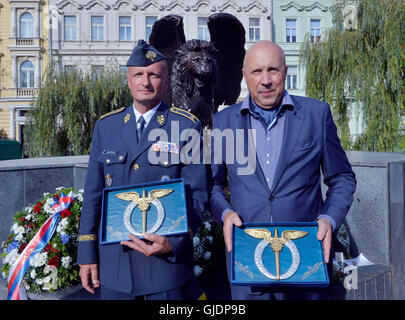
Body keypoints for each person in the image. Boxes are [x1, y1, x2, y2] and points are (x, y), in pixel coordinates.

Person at [210, 40, 356, 300]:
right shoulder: (223, 121)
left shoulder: (316, 114)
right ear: (245, 76)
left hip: (305, 254)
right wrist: (225, 212)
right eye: (256, 72)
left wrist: (329, 218)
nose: (265, 80)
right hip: (247, 257)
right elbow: (212, 184)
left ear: (285, 71)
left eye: (273, 70)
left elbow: (342, 177)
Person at [77, 40, 208, 300]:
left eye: (153, 75)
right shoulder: (107, 127)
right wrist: (86, 256)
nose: (145, 82)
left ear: (167, 82)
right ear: (128, 80)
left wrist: (176, 242)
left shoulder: (186, 127)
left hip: (165, 269)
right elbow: (93, 194)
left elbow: (197, 195)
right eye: (138, 74)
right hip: (116, 268)